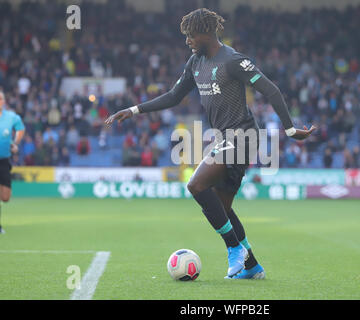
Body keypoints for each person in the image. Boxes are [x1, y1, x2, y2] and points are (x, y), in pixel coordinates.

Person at [105, 8, 316, 279]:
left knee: (195, 184)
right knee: (221, 208)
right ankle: (251, 265)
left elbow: (270, 89)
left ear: (206, 33)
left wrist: (289, 129)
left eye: (191, 35)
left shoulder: (233, 61)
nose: (187, 41)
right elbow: (173, 96)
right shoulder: (195, 62)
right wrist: (134, 110)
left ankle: (234, 249)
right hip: (225, 139)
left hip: (242, 136)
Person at [0, 91, 25, 234]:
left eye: (1, 98)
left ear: (4, 101)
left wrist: (15, 143)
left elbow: (20, 129)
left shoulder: (11, 117)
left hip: (4, 160)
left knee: (5, 197)